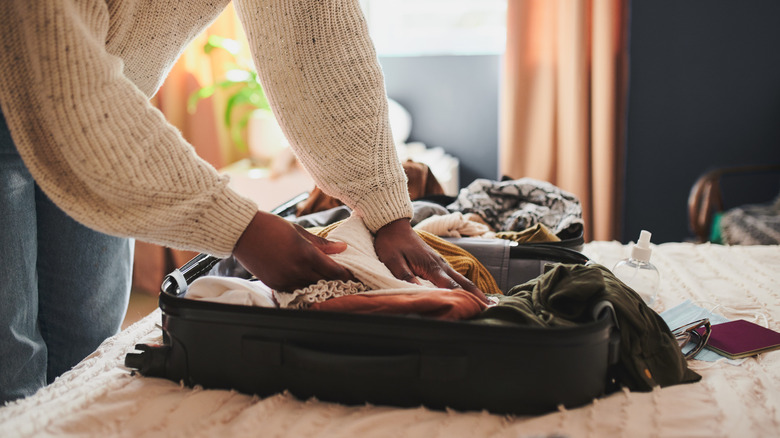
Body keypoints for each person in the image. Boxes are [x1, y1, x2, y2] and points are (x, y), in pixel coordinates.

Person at [0, 0, 484, 404]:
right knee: (12, 369)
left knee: (85, 357)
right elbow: (57, 77)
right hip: (36, 85)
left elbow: (317, 39)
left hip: (111, 108)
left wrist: (386, 210)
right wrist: (239, 227)